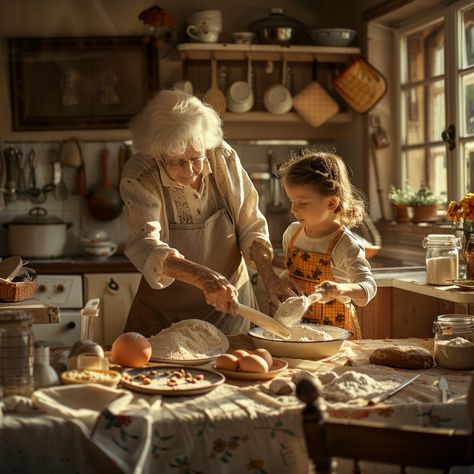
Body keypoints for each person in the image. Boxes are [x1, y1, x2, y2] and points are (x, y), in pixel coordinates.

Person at [119, 89, 278, 337]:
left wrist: (270, 278)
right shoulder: (140, 174)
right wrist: (203, 277)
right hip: (163, 317)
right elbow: (146, 244)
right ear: (157, 153)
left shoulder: (222, 157)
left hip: (229, 308)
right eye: (177, 162)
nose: (191, 171)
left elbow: (250, 225)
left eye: (196, 157)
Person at [251, 151, 376, 338]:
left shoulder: (345, 245)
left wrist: (339, 289)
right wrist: (276, 277)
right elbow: (294, 269)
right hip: (296, 330)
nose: (293, 209)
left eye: (302, 202)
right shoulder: (293, 233)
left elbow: (368, 288)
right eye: (292, 201)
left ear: (332, 202)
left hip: (334, 336)